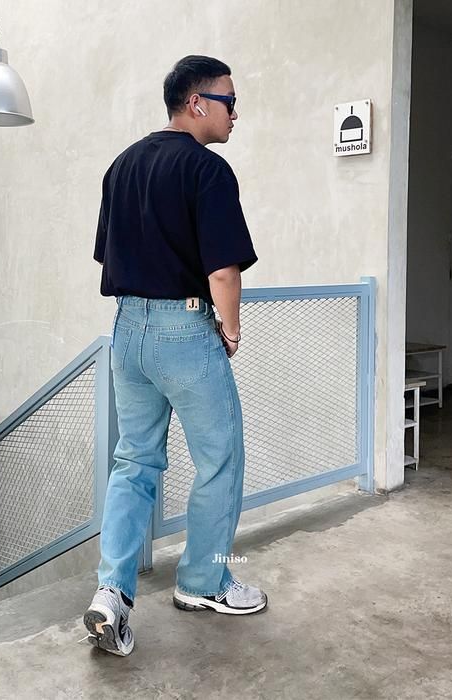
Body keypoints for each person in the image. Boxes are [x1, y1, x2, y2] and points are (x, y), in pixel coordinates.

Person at [84, 55, 267, 657]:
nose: (235, 114)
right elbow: (223, 270)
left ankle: (111, 592)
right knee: (219, 458)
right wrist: (230, 331)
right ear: (197, 103)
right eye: (229, 102)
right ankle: (203, 583)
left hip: (126, 330)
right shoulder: (207, 169)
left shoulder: (122, 165)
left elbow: (109, 253)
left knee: (134, 461)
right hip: (184, 330)